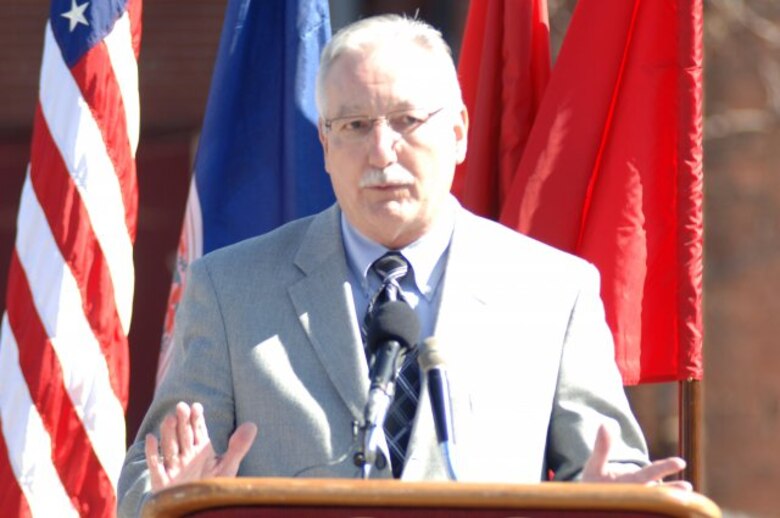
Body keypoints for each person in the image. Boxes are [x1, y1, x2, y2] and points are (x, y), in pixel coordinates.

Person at [117, 14, 690, 516]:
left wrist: (604, 504)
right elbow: (147, 481)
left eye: (408, 121)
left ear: (459, 132)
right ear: (323, 141)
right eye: (355, 125)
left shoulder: (553, 293)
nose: (382, 151)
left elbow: (611, 475)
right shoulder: (230, 289)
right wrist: (174, 500)